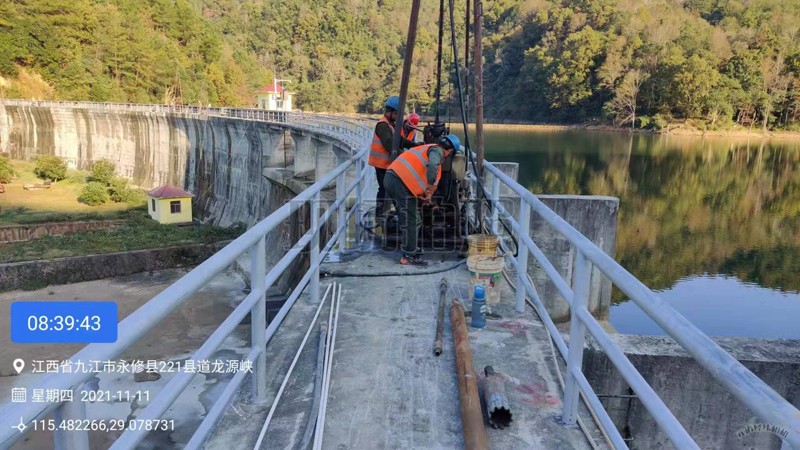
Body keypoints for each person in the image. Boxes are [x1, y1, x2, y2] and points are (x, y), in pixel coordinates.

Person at [384, 134, 460, 266]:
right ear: (451, 151)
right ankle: (408, 255)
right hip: (399, 182)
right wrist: (430, 185)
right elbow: (432, 166)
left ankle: (411, 247)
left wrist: (425, 195)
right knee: (412, 219)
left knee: (409, 217)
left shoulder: (426, 149)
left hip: (393, 178)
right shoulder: (437, 151)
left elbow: (418, 176)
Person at [369, 96, 418, 217]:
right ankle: (380, 214)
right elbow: (390, 144)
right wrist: (405, 155)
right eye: (396, 114)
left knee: (388, 188)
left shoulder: (390, 125)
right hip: (381, 164)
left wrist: (414, 145)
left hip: (386, 163)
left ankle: (386, 212)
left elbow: (399, 140)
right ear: (389, 112)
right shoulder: (383, 125)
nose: (398, 117)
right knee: (384, 188)